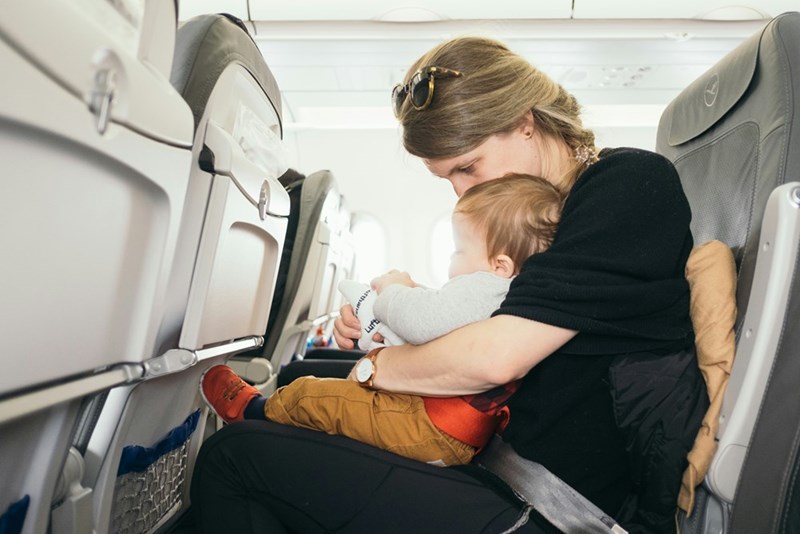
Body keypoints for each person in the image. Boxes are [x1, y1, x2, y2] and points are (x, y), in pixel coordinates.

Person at [189, 35, 707, 533]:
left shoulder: (627, 185)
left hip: (547, 505)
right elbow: (500, 311)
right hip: (490, 459)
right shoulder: (543, 210)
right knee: (300, 379)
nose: (461, 192)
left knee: (233, 457)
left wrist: (376, 366)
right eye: (448, 179)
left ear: (524, 123)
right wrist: (390, 312)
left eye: (468, 167)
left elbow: (495, 358)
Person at [200, 174, 564, 467]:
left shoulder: (487, 286)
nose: (452, 260)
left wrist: (393, 289)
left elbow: (422, 321)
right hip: (446, 427)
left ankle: (253, 412)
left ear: (500, 264)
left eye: (458, 250)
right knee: (338, 401)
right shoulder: (506, 293)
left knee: (313, 394)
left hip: (429, 425)